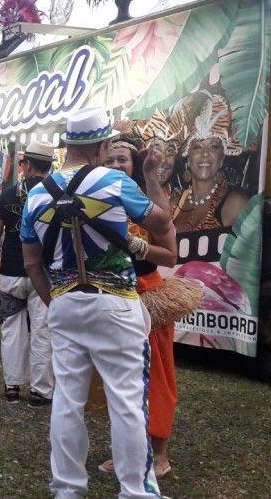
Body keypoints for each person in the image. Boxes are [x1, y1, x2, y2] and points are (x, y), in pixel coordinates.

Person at [21, 107, 175, 498]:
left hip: (64, 304)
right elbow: (162, 224)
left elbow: (31, 263)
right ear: (102, 145)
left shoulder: (36, 193)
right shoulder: (112, 181)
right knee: (126, 401)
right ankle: (135, 491)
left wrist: (55, 303)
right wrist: (152, 179)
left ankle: (69, 489)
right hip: (117, 304)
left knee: (67, 399)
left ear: (68, 145)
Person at [99, 135, 190, 479]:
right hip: (110, 295)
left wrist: (137, 246)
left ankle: (161, 451)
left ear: (134, 164)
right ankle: (123, 449)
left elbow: (169, 250)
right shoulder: (97, 198)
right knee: (117, 379)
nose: (116, 165)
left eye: (123, 159)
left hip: (146, 298)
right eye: (109, 160)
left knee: (154, 376)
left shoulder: (145, 201)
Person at [0, 141, 54, 406]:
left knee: (12, 329)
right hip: (44, 275)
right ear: (49, 166)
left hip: (12, 272)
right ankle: (41, 391)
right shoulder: (55, 194)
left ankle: (12, 387)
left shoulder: (9, 194)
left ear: (28, 166)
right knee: (43, 330)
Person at [171, 91, 249, 232]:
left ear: (222, 157)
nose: (205, 154)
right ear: (187, 156)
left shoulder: (236, 204)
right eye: (197, 147)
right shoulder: (173, 204)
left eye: (213, 146)